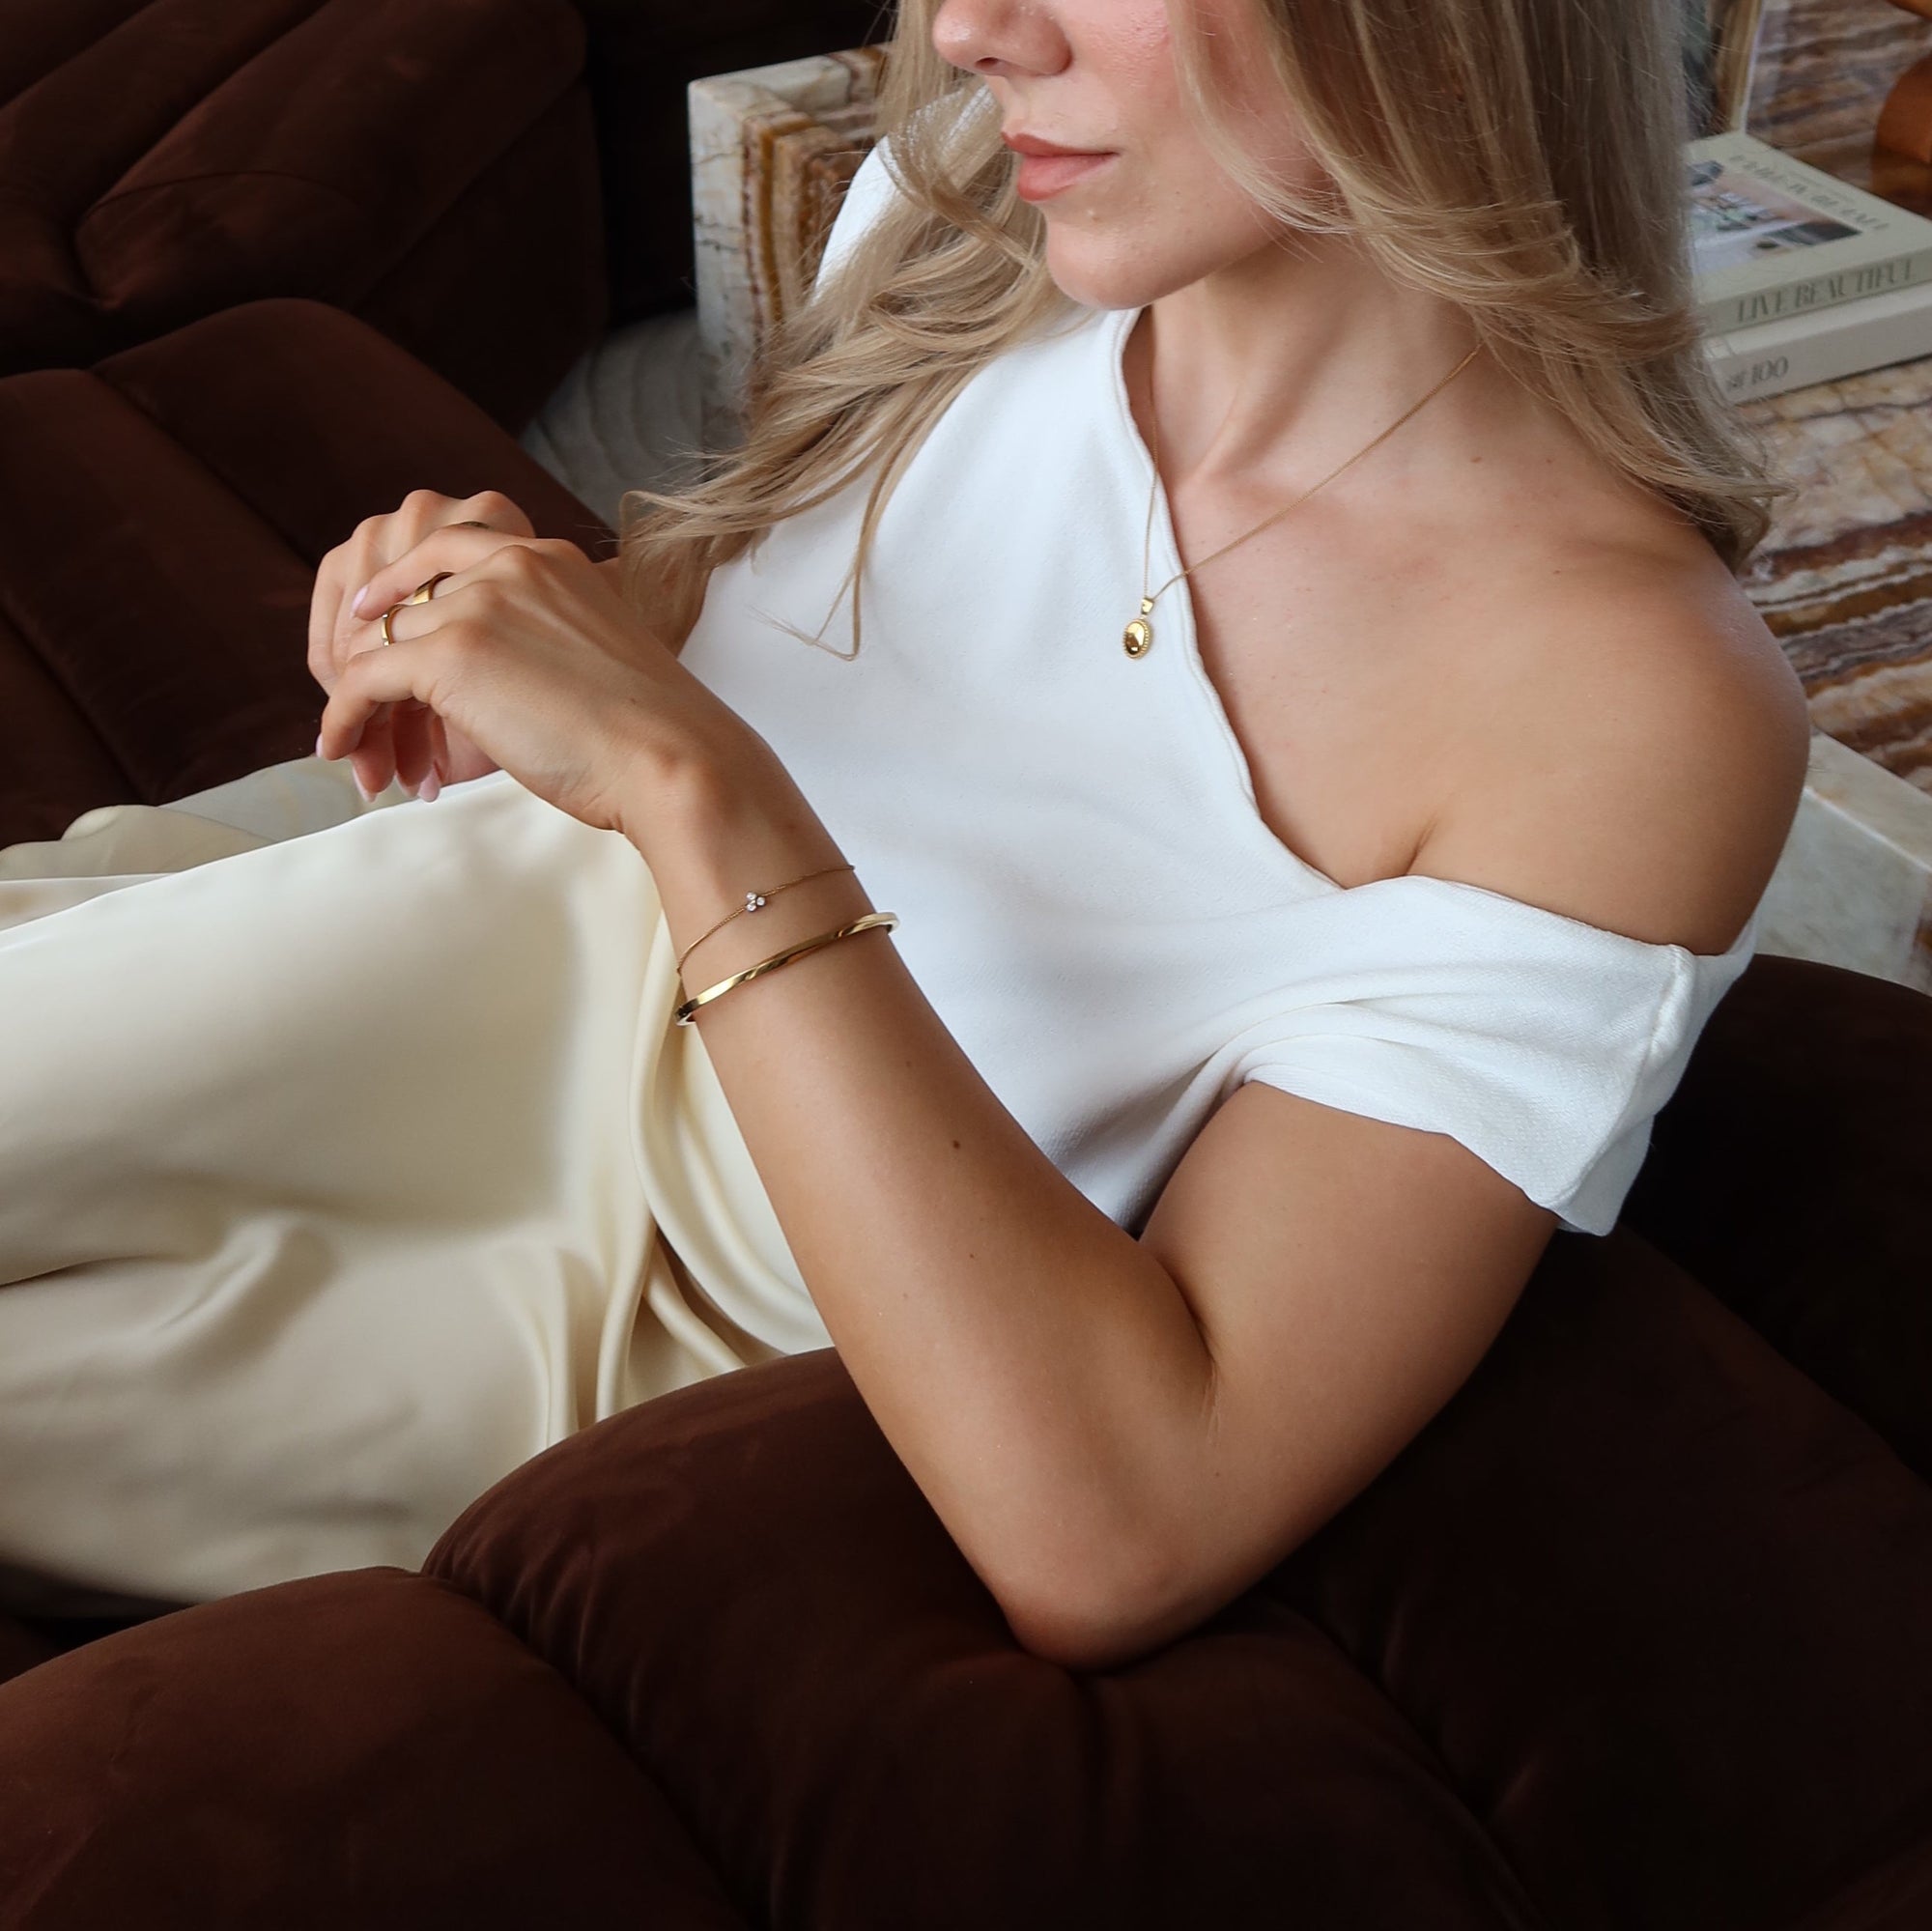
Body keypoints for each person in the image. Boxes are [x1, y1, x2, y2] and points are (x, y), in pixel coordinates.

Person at [0, 0, 1807, 1670]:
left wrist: (686, 779)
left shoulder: (1623, 710)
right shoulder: (979, 222)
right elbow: (728, 618)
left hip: (635, 1313)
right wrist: (515, 632)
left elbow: (1126, 1523)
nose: (971, 32)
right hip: (458, 928)